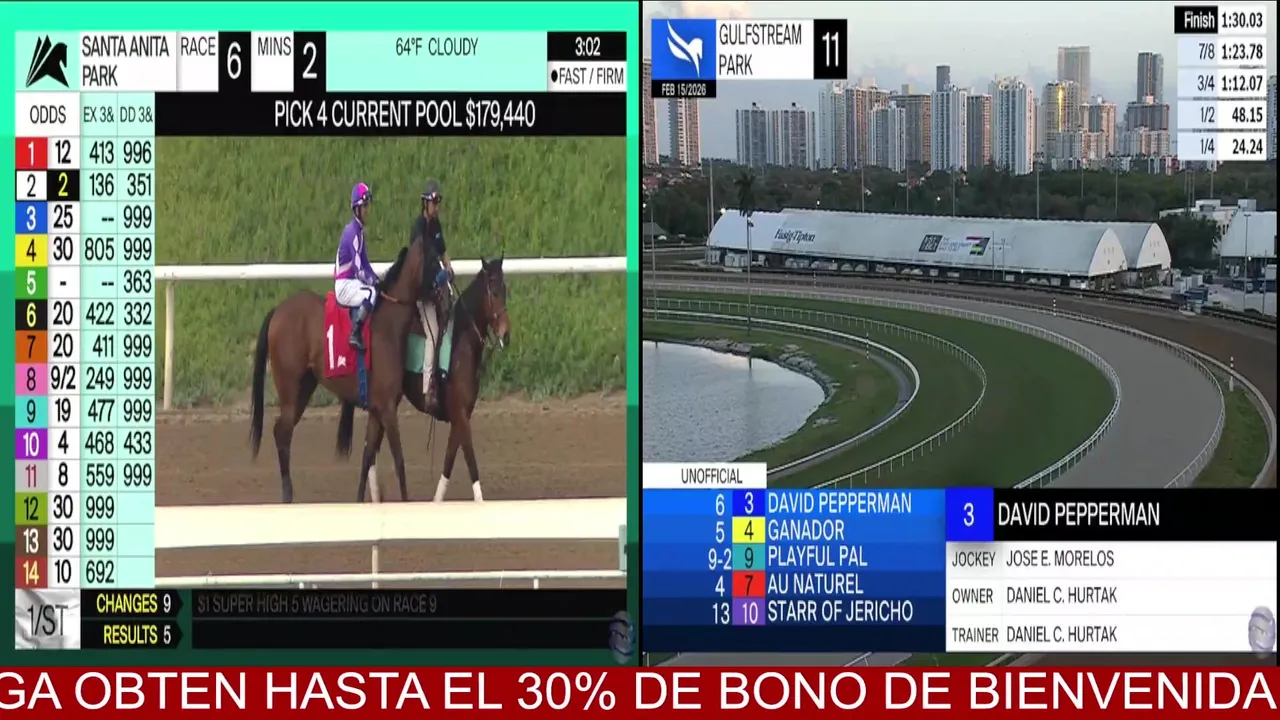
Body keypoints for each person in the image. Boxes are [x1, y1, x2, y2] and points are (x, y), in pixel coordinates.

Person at [412, 179, 455, 406]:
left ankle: (445, 373)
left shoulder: (435, 225)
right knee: (434, 332)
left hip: (435, 286)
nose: (437, 207)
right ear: (425, 203)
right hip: (421, 291)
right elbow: (418, 265)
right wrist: (435, 279)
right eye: (434, 203)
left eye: (438, 203)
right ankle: (427, 386)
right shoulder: (418, 229)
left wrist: (448, 268)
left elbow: (442, 250)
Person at [333, 182, 379, 350]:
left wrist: (377, 279)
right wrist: (373, 282)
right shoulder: (352, 232)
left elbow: (365, 262)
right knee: (371, 293)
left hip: (350, 281)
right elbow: (359, 270)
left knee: (375, 289)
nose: (367, 210)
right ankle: (356, 332)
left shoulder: (359, 232)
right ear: (356, 209)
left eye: (367, 206)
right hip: (344, 285)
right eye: (364, 206)